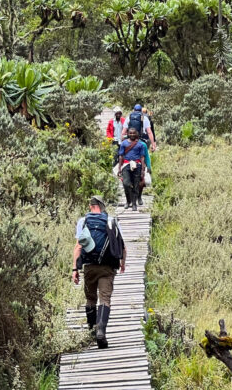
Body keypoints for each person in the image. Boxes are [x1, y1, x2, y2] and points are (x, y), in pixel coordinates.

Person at [72, 195, 126, 349]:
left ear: (91, 206)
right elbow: (122, 246)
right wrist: (122, 263)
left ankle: (91, 332)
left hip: (89, 267)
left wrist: (75, 269)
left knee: (90, 299)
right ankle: (101, 331)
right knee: (104, 299)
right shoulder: (111, 221)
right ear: (102, 207)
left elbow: (78, 247)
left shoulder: (83, 221)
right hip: (107, 267)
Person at [118, 127, 148, 210]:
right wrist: (119, 168)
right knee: (126, 183)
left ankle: (134, 203)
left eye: (133, 133)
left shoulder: (140, 145)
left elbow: (142, 157)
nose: (132, 134)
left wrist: (143, 170)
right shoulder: (124, 143)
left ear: (136, 134)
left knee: (136, 185)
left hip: (137, 165)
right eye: (130, 133)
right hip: (126, 165)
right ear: (128, 134)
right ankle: (128, 201)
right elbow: (121, 156)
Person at [127, 103, 157, 172]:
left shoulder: (129, 117)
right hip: (141, 139)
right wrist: (153, 144)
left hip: (129, 139)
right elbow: (149, 132)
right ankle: (148, 168)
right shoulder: (145, 118)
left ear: (133, 110)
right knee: (145, 153)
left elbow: (123, 131)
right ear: (141, 110)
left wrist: (122, 140)